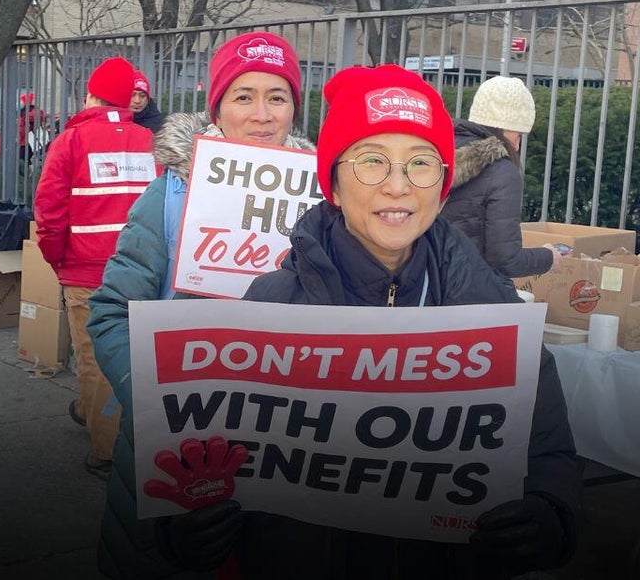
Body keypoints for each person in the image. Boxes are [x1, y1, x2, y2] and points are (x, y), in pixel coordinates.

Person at [113, 65, 581, 579]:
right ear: (332, 185)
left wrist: (550, 515)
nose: (398, 187)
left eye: (421, 163)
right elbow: (203, 462)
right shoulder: (270, 305)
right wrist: (188, 531)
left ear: (443, 187)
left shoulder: (495, 312)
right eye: (372, 161)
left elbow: (549, 454)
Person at [82, 31, 314, 577]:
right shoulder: (169, 194)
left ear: (294, 109)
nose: (262, 115)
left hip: (286, 450)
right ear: (218, 108)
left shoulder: (326, 199)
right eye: (243, 96)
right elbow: (111, 311)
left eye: (277, 97)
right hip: (177, 442)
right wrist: (154, 397)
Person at [34, 56, 159, 480]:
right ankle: (91, 410)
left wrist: (56, 258)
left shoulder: (70, 141)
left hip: (87, 273)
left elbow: (49, 212)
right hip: (141, 270)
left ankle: (106, 450)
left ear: (90, 95)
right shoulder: (149, 142)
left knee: (94, 357)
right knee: (135, 353)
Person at [442, 76, 557, 278]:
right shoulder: (502, 172)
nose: (517, 146)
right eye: (518, 135)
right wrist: (549, 256)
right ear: (504, 129)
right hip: (469, 287)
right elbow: (506, 261)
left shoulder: (436, 153)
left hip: (425, 283)